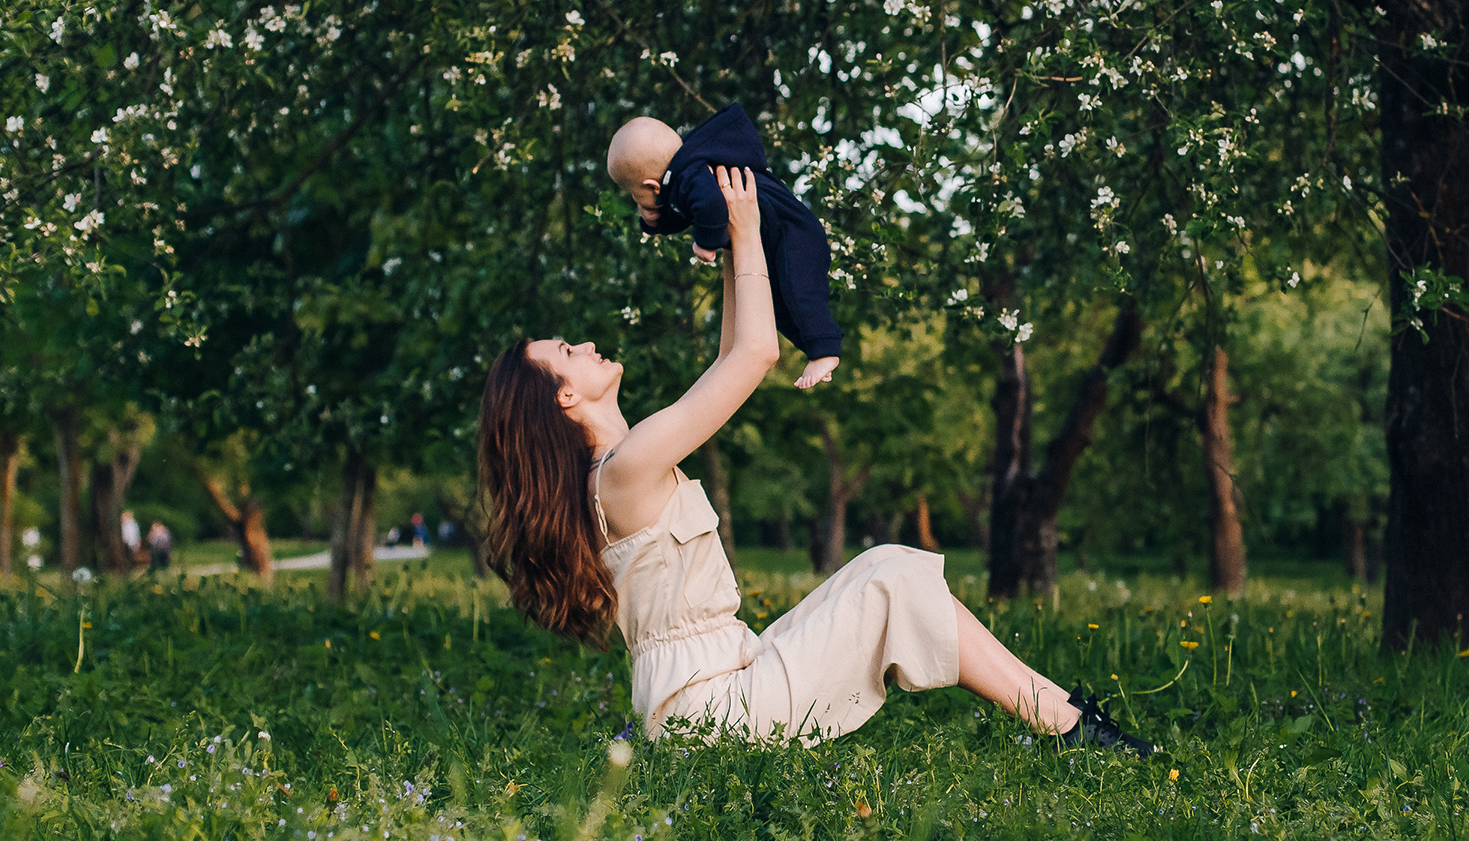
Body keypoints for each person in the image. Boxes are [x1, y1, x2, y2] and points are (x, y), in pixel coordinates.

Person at [478, 166, 1146, 753]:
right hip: (714, 712)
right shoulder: (623, 470)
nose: (587, 343)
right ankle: (1069, 727)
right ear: (564, 396)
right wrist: (743, 230)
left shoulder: (620, 469)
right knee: (894, 578)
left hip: (721, 683)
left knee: (886, 568)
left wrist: (736, 233)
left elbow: (730, 356)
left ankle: (1065, 716)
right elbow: (756, 357)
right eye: (567, 350)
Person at [607, 104, 841, 390]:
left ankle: (824, 349)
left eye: (635, 195)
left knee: (799, 292)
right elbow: (687, 212)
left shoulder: (690, 176)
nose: (636, 202)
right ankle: (814, 346)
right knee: (778, 305)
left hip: (793, 232)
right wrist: (655, 222)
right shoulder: (688, 176)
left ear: (652, 186)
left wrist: (705, 243)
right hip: (778, 237)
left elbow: (710, 207)